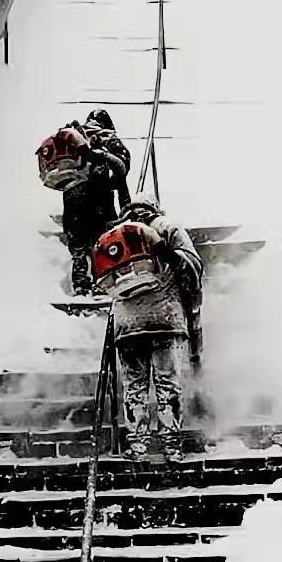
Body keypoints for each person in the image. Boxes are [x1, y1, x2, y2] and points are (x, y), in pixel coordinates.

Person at [91, 196, 203, 462]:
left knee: (134, 386)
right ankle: (171, 446)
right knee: (168, 384)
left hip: (127, 325)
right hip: (164, 320)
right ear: (156, 208)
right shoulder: (167, 227)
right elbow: (193, 268)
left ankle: (138, 446)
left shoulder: (112, 235)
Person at [37, 109, 131, 296]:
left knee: (78, 244)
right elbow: (123, 166)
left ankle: (80, 285)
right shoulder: (105, 137)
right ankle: (101, 285)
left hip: (72, 197)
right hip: (98, 197)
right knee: (103, 239)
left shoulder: (73, 138)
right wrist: (126, 208)